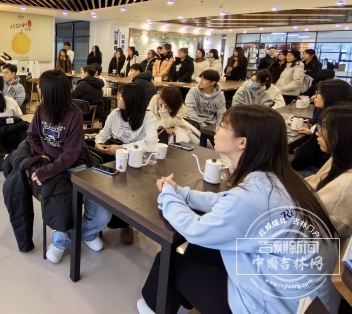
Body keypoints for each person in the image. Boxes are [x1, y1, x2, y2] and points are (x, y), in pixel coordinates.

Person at [137, 105, 339, 314]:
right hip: (298, 297)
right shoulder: (284, 180)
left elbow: (195, 229)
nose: (216, 129)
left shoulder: (253, 196)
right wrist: (182, 193)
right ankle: (184, 300)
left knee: (168, 263)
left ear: (242, 142)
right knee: (203, 248)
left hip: (272, 306)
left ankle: (152, 308)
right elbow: (226, 202)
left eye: (223, 125)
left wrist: (168, 196)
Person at [28, 70, 112, 264]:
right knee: (62, 206)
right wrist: (43, 155)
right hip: (52, 164)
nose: (38, 89)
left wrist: (47, 170)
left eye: (41, 87)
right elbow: (31, 136)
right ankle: (61, 240)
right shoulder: (41, 111)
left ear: (52, 91)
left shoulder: (74, 115)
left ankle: (86, 233)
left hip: (76, 166)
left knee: (103, 212)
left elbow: (71, 154)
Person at [95, 83, 158, 245]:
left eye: (121, 95)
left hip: (135, 162)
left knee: (127, 189)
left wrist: (122, 148)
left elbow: (151, 143)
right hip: (112, 157)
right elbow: (104, 133)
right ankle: (98, 219)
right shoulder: (115, 114)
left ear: (131, 99)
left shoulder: (148, 117)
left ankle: (125, 224)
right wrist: (99, 144)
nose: (117, 98)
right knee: (102, 183)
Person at [306, 103, 352, 240]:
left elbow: (308, 233)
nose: (318, 132)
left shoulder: (347, 187)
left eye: (325, 127)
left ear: (347, 133)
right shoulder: (343, 158)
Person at [291, 79, 352, 175]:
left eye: (319, 93)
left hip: (322, 170)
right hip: (329, 168)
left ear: (332, 95)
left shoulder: (332, 119)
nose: (314, 97)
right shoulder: (347, 116)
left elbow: (309, 150)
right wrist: (312, 131)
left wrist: (291, 167)